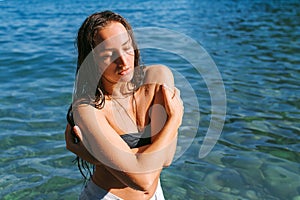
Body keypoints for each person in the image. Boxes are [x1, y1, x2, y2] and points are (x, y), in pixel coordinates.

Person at [64, 10, 184, 200]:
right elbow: (143, 180)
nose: (123, 61)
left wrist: (103, 157)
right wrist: (174, 120)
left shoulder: (158, 77)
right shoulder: (88, 108)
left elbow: (167, 158)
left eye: (126, 47)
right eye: (108, 54)